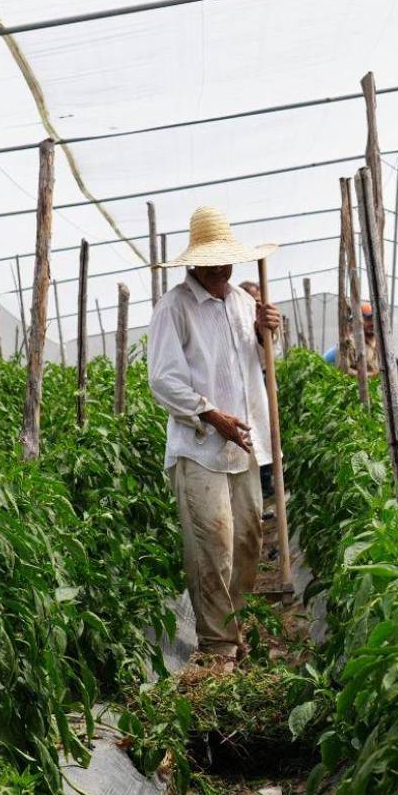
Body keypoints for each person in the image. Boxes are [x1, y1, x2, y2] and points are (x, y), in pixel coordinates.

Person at [148, 206, 281, 671]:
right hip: (200, 448)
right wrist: (209, 413)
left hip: (244, 444)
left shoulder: (243, 304)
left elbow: (256, 364)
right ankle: (216, 647)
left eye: (227, 262)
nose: (223, 270)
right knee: (213, 546)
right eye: (213, 263)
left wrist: (270, 333)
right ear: (195, 264)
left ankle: (235, 626)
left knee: (246, 542)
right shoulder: (174, 308)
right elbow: (163, 380)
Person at [238, 280, 276, 499]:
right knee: (250, 436)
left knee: (265, 432)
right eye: (255, 302)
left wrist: (265, 331)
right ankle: (258, 491)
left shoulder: (261, 324)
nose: (258, 307)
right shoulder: (237, 322)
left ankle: (265, 485)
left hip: (262, 383)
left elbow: (269, 356)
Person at [323, 302, 379, 375]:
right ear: (357, 321)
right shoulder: (348, 344)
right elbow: (342, 371)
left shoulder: (380, 346)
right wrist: (370, 375)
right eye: (368, 319)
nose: (372, 323)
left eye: (374, 319)